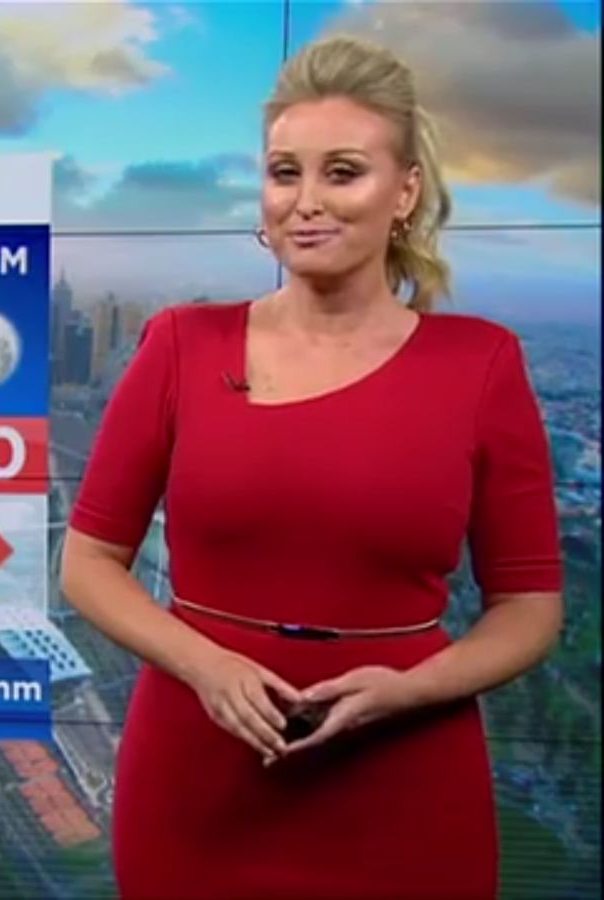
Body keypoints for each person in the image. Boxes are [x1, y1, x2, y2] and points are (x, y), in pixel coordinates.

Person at [60, 35, 564, 899]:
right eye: (284, 173)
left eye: (343, 173)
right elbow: (87, 563)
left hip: (404, 778)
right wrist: (208, 668)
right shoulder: (181, 345)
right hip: (198, 777)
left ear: (405, 192)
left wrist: (410, 691)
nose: (306, 202)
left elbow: (529, 607)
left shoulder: (481, 364)